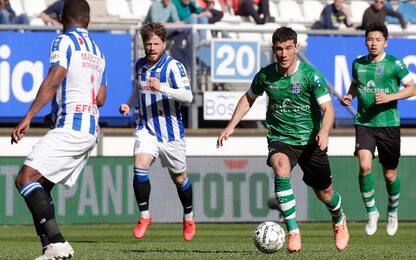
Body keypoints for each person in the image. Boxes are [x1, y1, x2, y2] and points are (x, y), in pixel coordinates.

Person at [217, 27, 349, 253]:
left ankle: (338, 218)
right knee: (280, 167)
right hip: (280, 139)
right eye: (279, 49)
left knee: (325, 194)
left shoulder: (310, 76)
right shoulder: (266, 75)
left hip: (311, 141)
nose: (284, 53)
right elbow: (248, 99)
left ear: (296, 48)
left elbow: (328, 109)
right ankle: (293, 232)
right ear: (273, 50)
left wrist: (324, 132)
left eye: (288, 48)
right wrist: (231, 126)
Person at [10, 0, 107, 259]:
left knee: (25, 179)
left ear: (63, 17)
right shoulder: (98, 51)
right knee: (40, 186)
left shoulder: (63, 41)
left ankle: (58, 243)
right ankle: (50, 249)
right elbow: (100, 98)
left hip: (71, 126)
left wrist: (28, 116)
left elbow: (55, 78)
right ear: (88, 20)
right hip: (90, 129)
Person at [119, 22, 195, 241]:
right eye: (148, 44)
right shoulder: (140, 65)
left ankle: (188, 216)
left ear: (164, 44)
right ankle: (145, 216)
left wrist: (162, 88)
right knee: (139, 167)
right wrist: (129, 103)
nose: (151, 48)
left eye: (155, 44)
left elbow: (188, 97)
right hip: (147, 128)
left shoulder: (174, 67)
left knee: (179, 178)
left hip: (171, 133)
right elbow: (138, 89)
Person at [340, 22, 415, 236]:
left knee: (390, 174)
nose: (373, 43)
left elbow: (412, 89)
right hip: (365, 123)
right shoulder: (357, 64)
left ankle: (392, 211)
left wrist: (391, 96)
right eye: (370, 39)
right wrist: (349, 96)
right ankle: (372, 211)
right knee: (364, 166)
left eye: (378, 40)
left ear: (386, 42)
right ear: (365, 41)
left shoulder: (395, 64)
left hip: (389, 124)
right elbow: (356, 85)